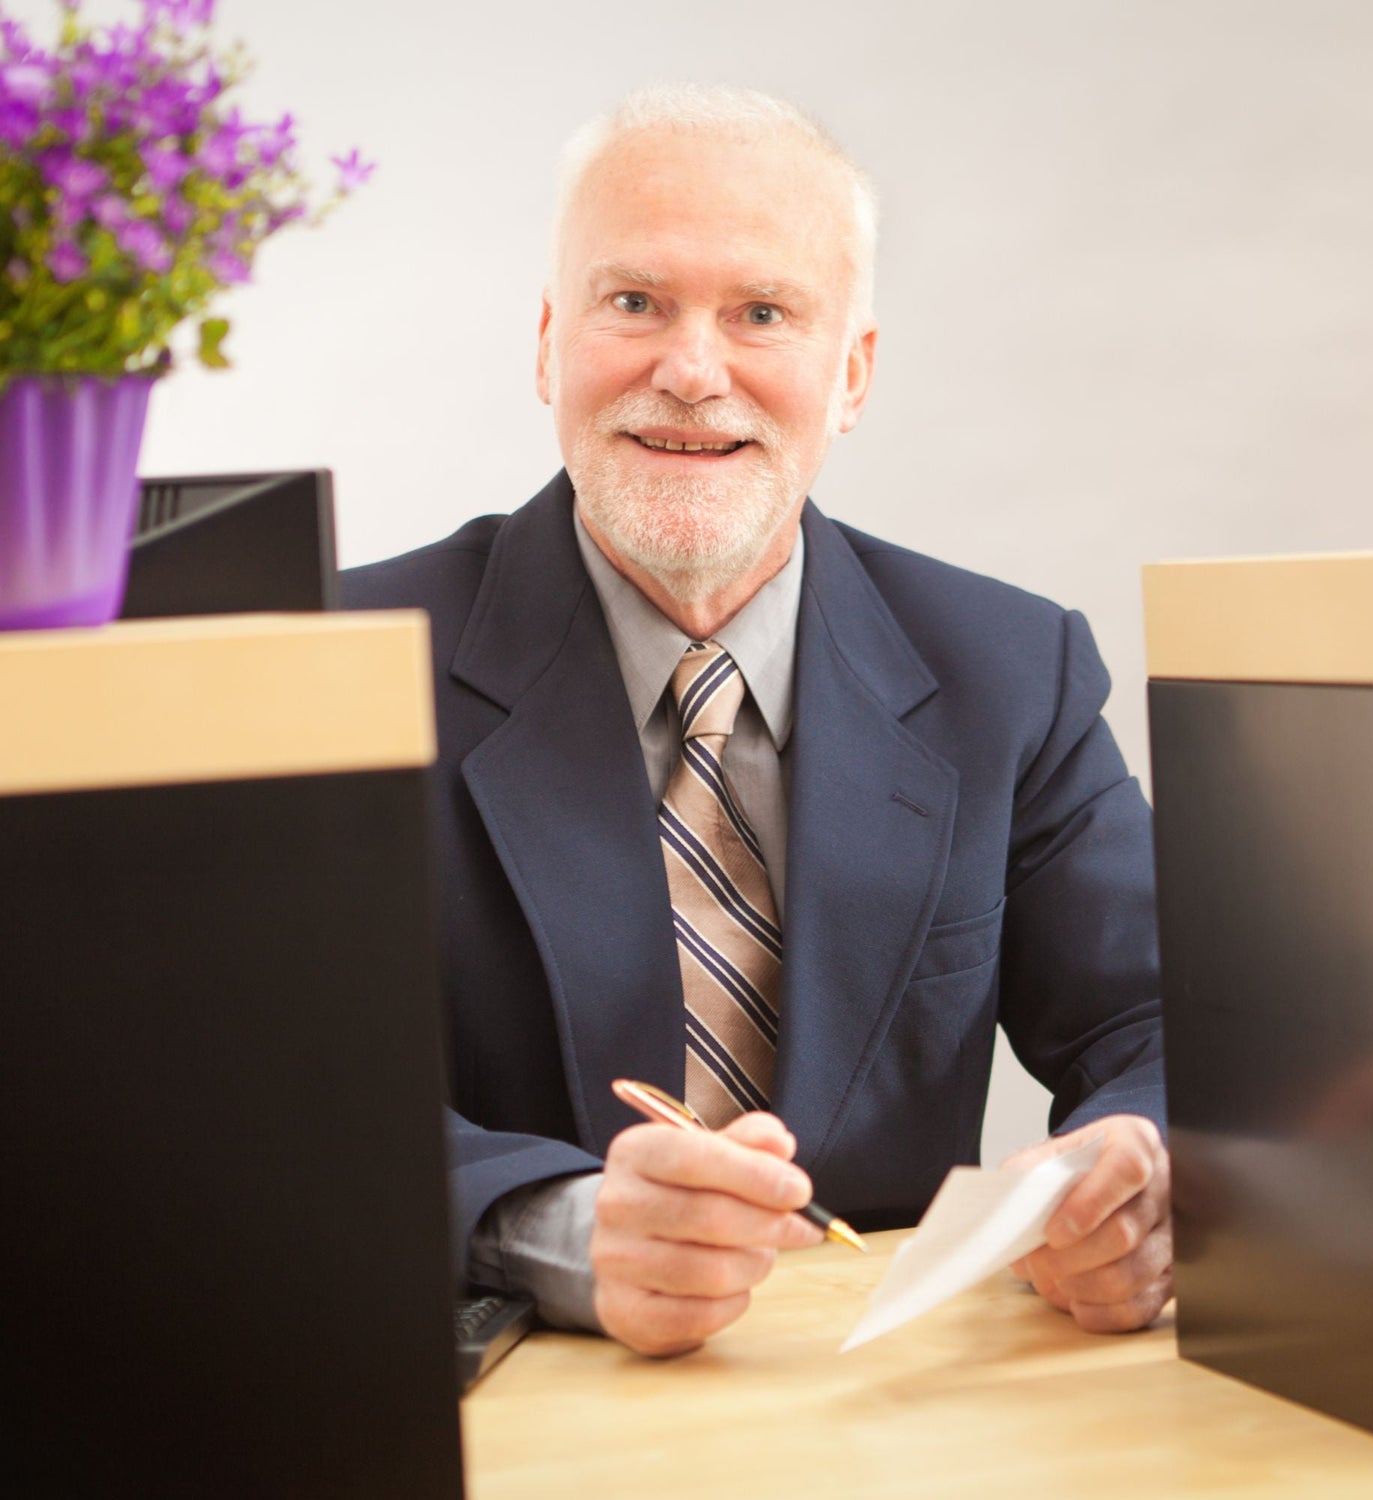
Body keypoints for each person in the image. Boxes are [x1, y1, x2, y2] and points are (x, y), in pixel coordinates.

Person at [343, 85, 1171, 1358]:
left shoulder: (1011, 671)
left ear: (852, 374)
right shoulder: (331, 667)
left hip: (888, 1404)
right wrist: (547, 1224)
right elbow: (257, 1078)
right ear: (550, 344)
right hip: (501, 1398)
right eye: (634, 302)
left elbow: (1166, 1024)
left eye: (762, 314)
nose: (690, 372)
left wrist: (1141, 1175)